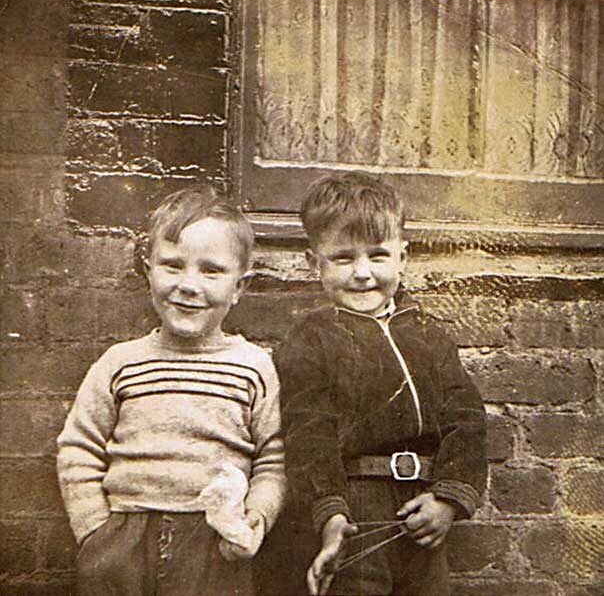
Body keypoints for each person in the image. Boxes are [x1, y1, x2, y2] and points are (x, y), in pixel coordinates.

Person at [57, 185, 286, 596]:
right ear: (149, 272)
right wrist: (95, 530)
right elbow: (79, 447)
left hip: (213, 543)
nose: (188, 285)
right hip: (124, 535)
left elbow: (272, 459)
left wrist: (255, 517)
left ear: (239, 287)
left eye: (211, 271)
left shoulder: (253, 365)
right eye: (173, 265)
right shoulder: (120, 363)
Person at [271, 172, 487, 596]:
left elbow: (467, 419)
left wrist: (449, 498)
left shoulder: (428, 333)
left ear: (403, 258)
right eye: (344, 258)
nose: (363, 273)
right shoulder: (311, 338)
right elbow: (307, 434)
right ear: (315, 263)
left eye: (378, 255)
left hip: (424, 508)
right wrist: (331, 516)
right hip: (356, 510)